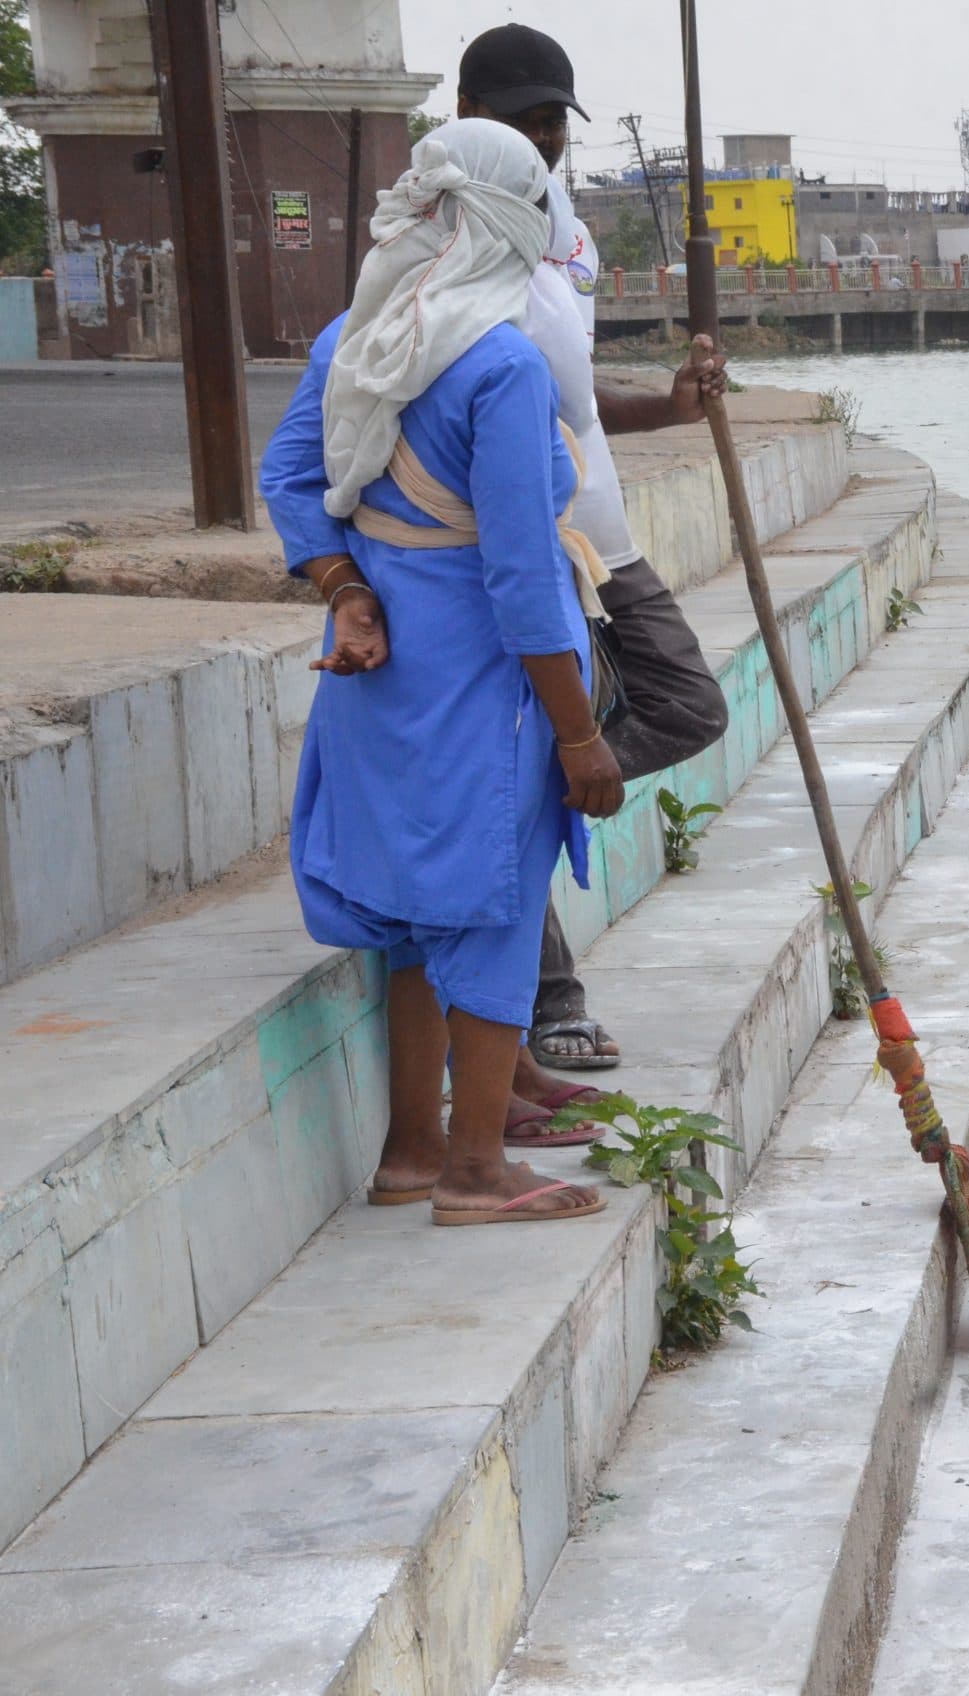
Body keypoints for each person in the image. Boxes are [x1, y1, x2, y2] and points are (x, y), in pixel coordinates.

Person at [260, 118, 614, 1225]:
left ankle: (412, 1150)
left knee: (416, 919)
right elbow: (516, 576)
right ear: (514, 222)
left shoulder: (349, 342)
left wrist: (347, 590)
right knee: (498, 907)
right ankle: (475, 1171)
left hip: (378, 682)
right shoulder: (501, 366)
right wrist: (576, 733)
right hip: (482, 684)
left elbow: (288, 479)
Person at [454, 24, 733, 1126]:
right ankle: (547, 988)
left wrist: (665, 405)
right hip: (514, 552)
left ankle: (531, 806)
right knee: (545, 750)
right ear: (465, 109)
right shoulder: (445, 226)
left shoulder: (563, 236)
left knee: (686, 704)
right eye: (515, 118)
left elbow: (565, 399)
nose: (537, 139)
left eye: (549, 122)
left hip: (600, 540)